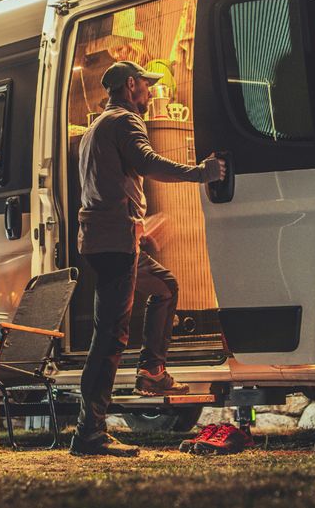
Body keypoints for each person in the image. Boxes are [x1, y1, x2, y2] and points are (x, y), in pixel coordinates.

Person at [69, 60, 227, 457]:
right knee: (109, 338)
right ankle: (90, 434)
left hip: (108, 238)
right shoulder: (124, 121)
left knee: (165, 287)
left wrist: (137, 223)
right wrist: (199, 173)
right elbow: (148, 163)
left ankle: (152, 371)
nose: (151, 91)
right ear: (129, 85)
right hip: (115, 242)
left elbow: (108, 185)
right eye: (146, 85)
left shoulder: (95, 128)